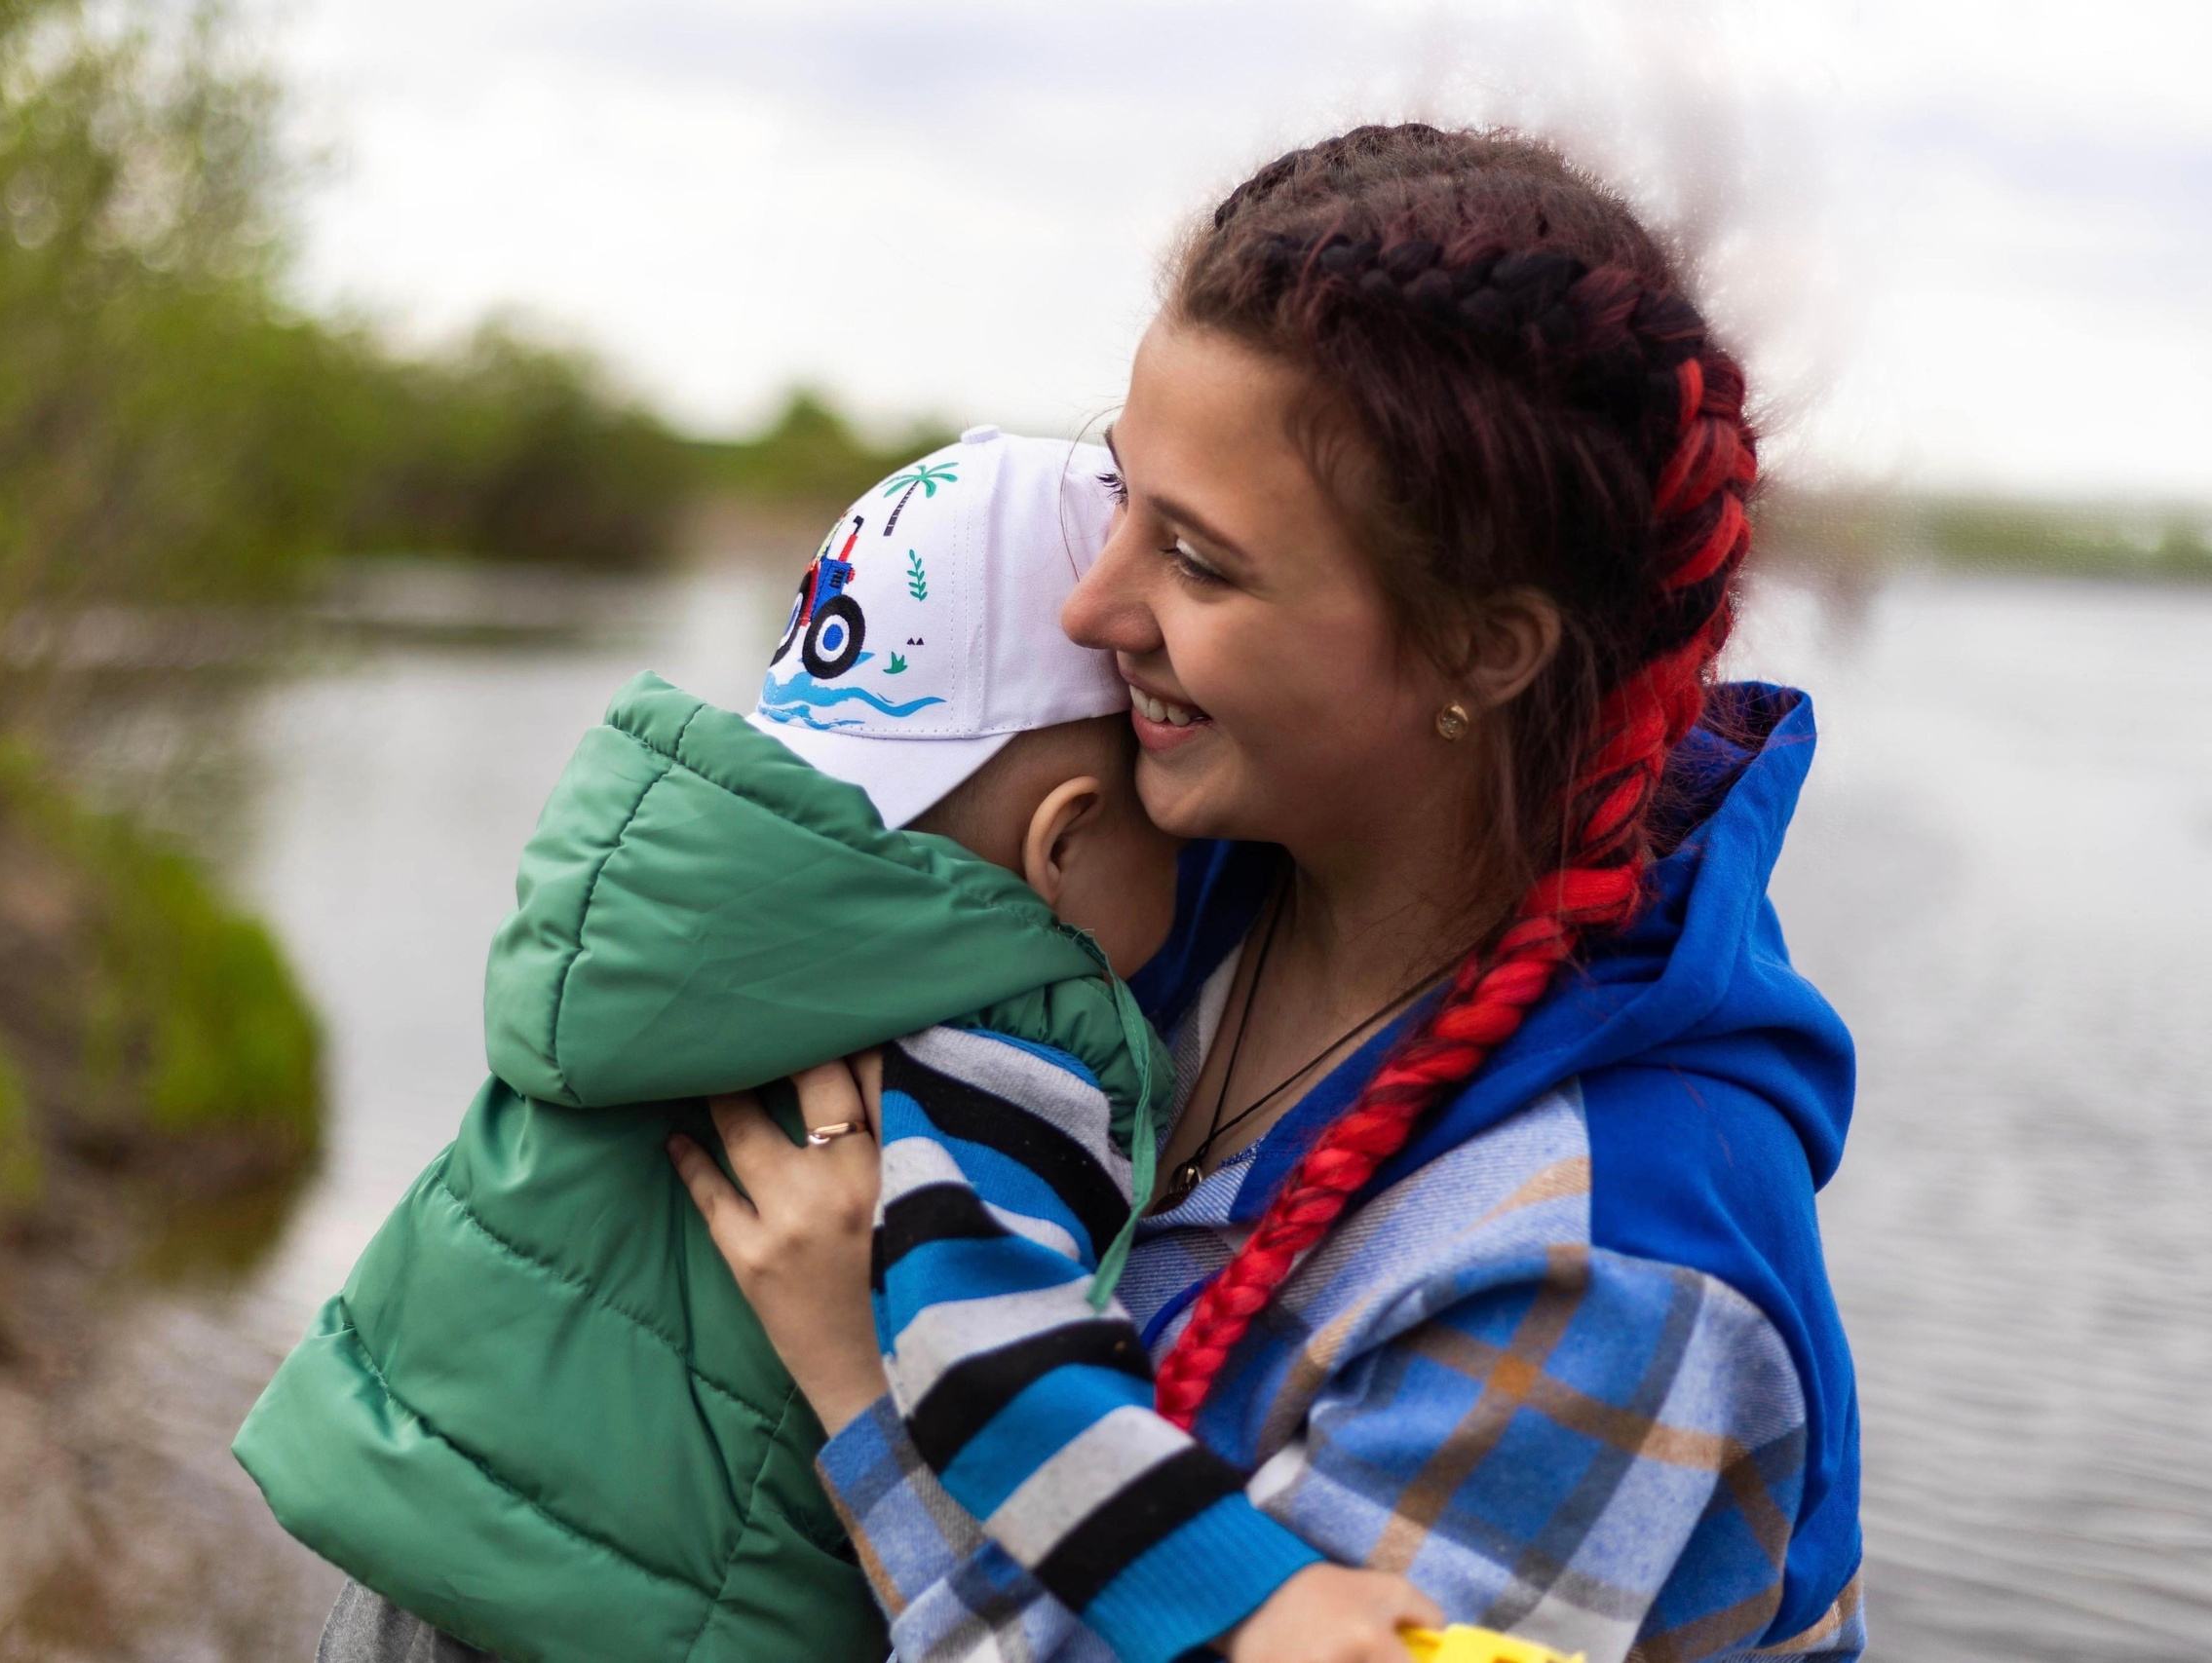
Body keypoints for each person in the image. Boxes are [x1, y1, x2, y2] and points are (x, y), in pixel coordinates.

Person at [678, 124, 1864, 1663]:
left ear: (1484, 648)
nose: (1092, 606)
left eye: (1202, 563)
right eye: (1121, 503)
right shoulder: (1170, 868)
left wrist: (862, 1373)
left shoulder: (1610, 1269)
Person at [240, 430, 1195, 1663]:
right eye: (1169, 831)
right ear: (1063, 841)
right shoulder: (1017, 1065)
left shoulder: (664, 940)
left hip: (404, 1589)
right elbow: (1020, 1453)